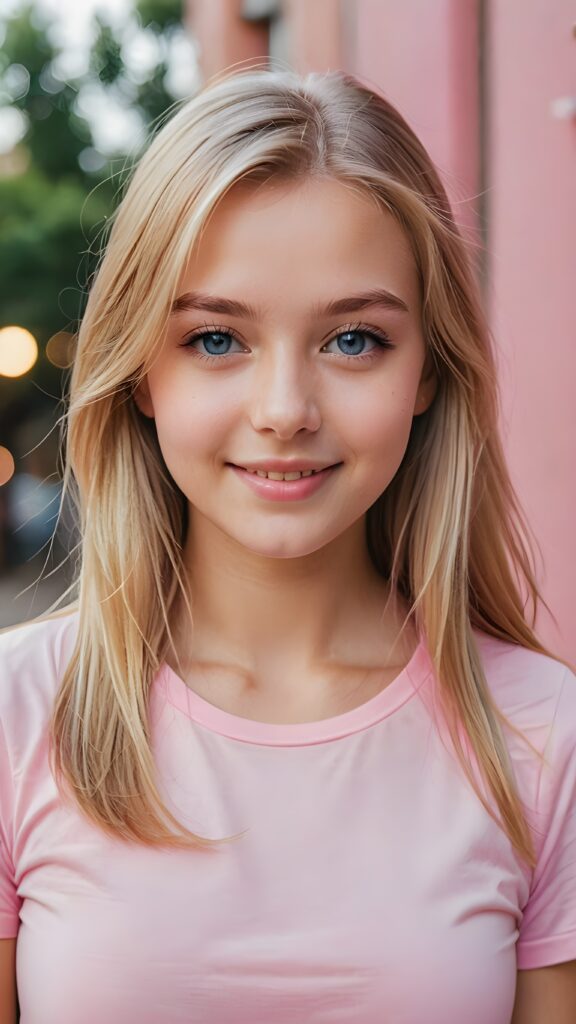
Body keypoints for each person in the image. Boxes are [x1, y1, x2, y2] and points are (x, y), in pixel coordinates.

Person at [0, 66, 575, 1024]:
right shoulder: (16, 715)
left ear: (429, 371)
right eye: (217, 340)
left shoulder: (545, 736)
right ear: (142, 372)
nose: (283, 413)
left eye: (353, 340)